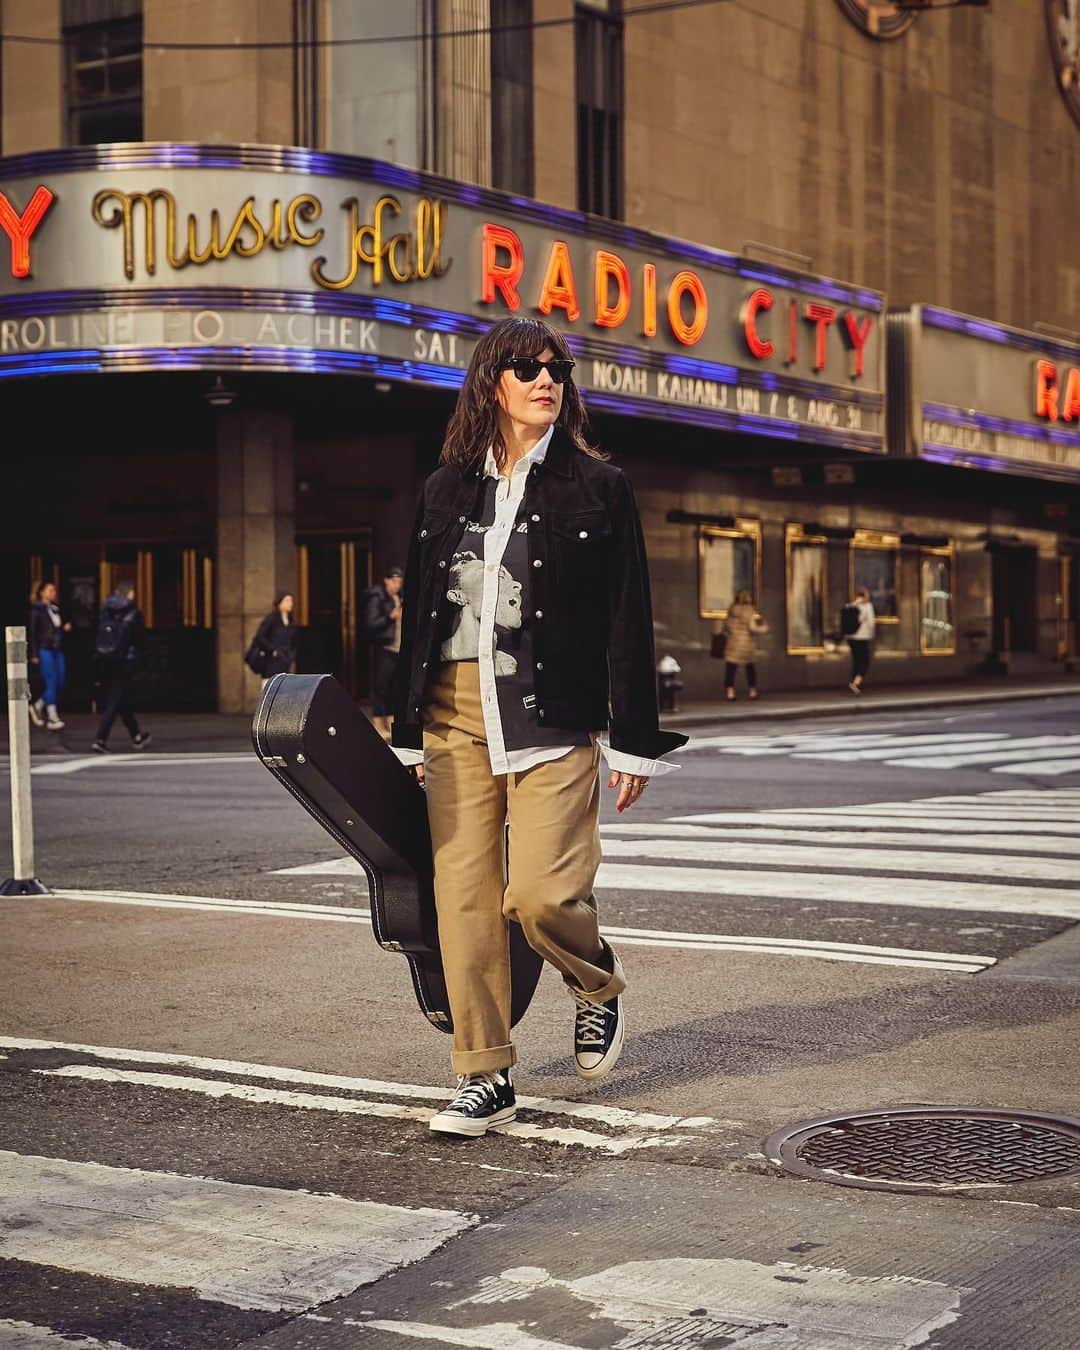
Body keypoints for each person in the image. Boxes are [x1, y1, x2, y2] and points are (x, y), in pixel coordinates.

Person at [390, 315, 688, 1138]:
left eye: (557, 368)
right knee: (465, 902)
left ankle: (595, 982)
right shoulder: (445, 487)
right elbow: (418, 612)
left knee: (540, 898)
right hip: (453, 716)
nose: (546, 379)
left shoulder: (597, 486)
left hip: (555, 719)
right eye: (528, 368)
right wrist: (406, 727)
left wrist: (634, 737)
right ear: (493, 382)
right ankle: (485, 1074)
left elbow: (629, 616)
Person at [91, 582, 152, 753]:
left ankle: (136, 735)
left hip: (104, 659)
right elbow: (140, 639)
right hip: (124, 661)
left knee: (122, 700)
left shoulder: (105, 610)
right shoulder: (133, 613)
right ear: (130, 594)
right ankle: (100, 739)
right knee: (115, 699)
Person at [362, 567, 404, 741]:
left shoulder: (398, 598)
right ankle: (378, 723)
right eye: (394, 581)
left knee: (395, 688)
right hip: (385, 647)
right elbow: (370, 624)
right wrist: (390, 617)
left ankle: (390, 721)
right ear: (386, 580)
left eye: (400, 582)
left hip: (398, 648)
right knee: (382, 687)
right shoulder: (377, 598)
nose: (397, 585)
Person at [27, 580, 71, 731]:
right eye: (50, 590)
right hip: (44, 649)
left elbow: (54, 628)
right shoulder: (36, 610)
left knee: (60, 681)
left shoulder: (55, 609)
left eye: (54, 590)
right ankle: (52, 716)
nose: (53, 593)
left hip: (57, 649)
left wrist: (64, 628)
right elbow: (32, 632)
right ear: (42, 593)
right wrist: (33, 653)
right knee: (51, 680)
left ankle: (38, 705)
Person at [721, 589, 767, 701]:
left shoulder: (731, 610)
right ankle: (752, 691)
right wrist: (764, 628)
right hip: (746, 643)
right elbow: (752, 628)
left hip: (732, 643)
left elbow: (726, 627)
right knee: (749, 667)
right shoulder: (750, 611)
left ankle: (730, 692)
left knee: (731, 668)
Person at [253, 592, 298, 681]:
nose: (290, 604)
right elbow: (260, 636)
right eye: (287, 601)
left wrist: (292, 654)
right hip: (272, 661)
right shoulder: (271, 618)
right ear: (279, 603)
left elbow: (294, 640)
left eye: (291, 601)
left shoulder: (291, 620)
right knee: (271, 685)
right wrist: (273, 650)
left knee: (285, 686)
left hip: (286, 659)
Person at [846, 585, 876, 694]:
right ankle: (855, 683)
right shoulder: (867, 606)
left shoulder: (850, 605)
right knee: (865, 662)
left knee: (856, 660)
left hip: (851, 638)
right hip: (862, 637)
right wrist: (872, 635)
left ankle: (853, 681)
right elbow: (871, 623)